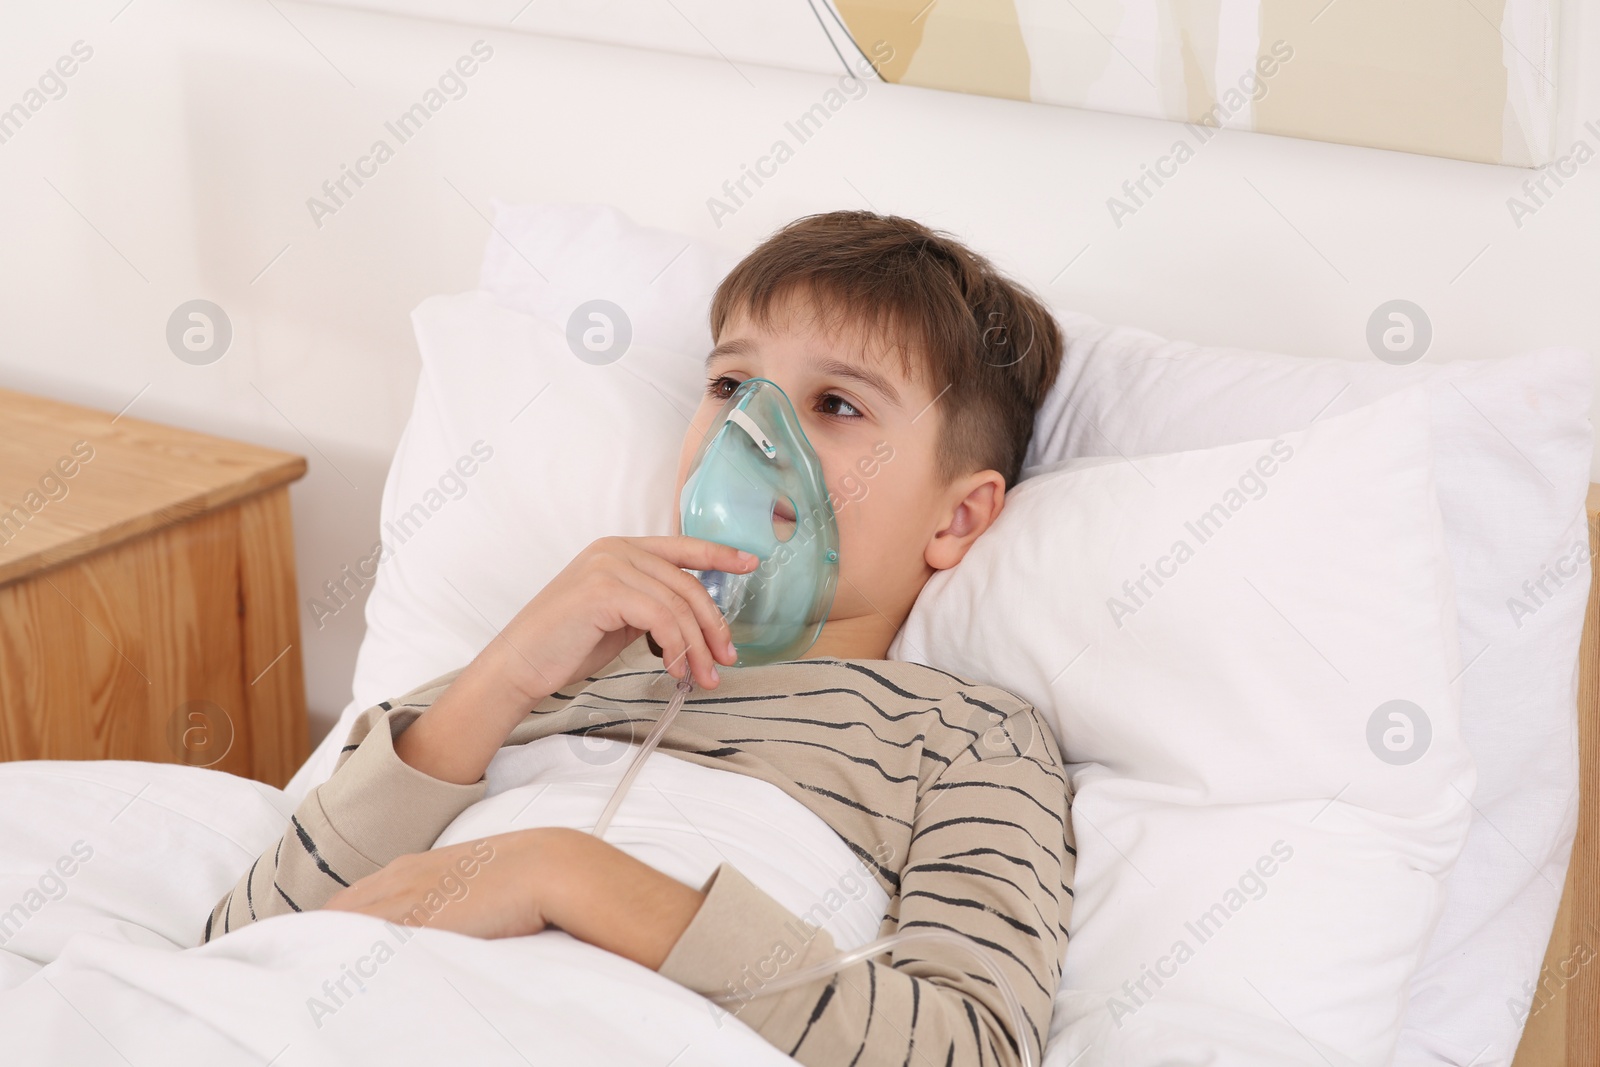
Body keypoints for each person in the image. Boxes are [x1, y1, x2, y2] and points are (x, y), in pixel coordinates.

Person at [204, 210, 1075, 1067]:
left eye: (837, 404)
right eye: (731, 386)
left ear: (959, 517)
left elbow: (973, 1048)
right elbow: (244, 943)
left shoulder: (967, 737)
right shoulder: (552, 663)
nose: (754, 432)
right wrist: (505, 673)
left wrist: (563, 874)